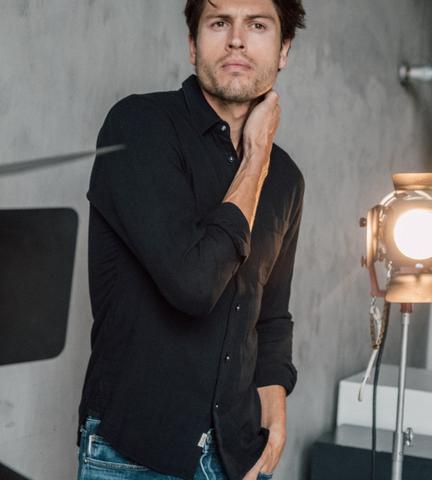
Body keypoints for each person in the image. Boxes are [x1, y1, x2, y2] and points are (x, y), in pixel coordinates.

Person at [76, 0, 306, 479]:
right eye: (219, 23)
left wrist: (275, 414)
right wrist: (256, 156)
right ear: (192, 45)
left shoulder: (286, 178)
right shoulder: (137, 126)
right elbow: (194, 284)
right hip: (132, 456)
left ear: (283, 49)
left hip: (237, 456)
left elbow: (271, 313)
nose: (237, 39)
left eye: (257, 25)